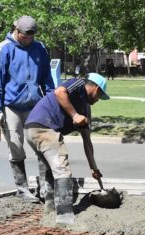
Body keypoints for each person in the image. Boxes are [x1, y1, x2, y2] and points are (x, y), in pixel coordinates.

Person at [24, 73, 110, 224]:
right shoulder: (78, 83)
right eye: (99, 96)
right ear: (96, 89)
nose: (97, 100)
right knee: (62, 170)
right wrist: (74, 115)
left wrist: (93, 167)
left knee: (51, 169)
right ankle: (65, 216)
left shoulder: (85, 109)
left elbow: (87, 141)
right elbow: (59, 92)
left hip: (32, 129)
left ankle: (50, 209)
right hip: (44, 127)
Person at [0, 15, 55, 202]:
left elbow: (47, 78)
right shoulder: (4, 48)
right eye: (24, 36)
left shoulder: (39, 48)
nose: (28, 40)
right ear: (16, 30)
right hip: (11, 106)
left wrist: (51, 102)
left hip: (35, 105)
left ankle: (45, 187)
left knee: (42, 144)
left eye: (31, 37)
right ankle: (22, 189)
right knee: (16, 146)